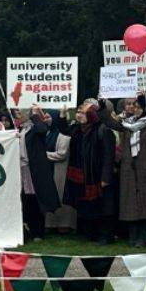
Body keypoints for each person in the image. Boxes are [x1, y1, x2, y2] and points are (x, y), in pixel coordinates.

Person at [101, 95, 146, 247]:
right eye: (132, 106)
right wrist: (102, 105)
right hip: (130, 168)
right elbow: (109, 121)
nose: (134, 108)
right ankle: (136, 237)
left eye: (137, 106)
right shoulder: (127, 124)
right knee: (132, 204)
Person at [55, 104, 117, 244]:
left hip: (98, 175)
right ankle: (90, 233)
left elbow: (109, 156)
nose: (79, 115)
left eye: (82, 113)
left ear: (91, 115)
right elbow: (64, 130)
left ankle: (105, 235)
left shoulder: (103, 130)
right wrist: (63, 115)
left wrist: (105, 177)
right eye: (78, 112)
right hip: (82, 176)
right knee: (86, 205)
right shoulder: (78, 129)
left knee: (102, 206)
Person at [19, 107, 62, 242]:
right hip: (24, 168)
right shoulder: (23, 129)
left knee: (36, 200)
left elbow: (43, 130)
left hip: (35, 169)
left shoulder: (36, 128)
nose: (17, 114)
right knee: (27, 199)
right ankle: (29, 229)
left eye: (20, 112)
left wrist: (35, 115)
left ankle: (38, 232)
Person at [42, 110, 76, 234]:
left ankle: (64, 224)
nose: (45, 120)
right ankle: (50, 224)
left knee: (61, 197)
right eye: (44, 117)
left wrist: (42, 155)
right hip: (47, 170)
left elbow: (62, 154)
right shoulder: (45, 133)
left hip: (60, 170)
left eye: (48, 117)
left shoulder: (63, 135)